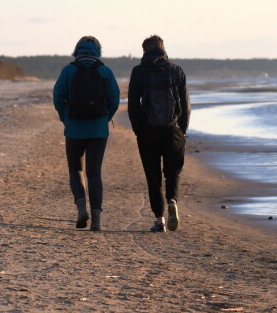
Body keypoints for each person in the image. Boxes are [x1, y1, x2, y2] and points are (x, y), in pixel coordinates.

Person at [53, 36, 120, 231]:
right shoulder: (105, 71)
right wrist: (103, 119)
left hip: (74, 128)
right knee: (94, 173)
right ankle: (96, 221)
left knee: (75, 170)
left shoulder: (68, 70)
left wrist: (65, 118)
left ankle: (82, 209)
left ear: (77, 50)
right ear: (98, 51)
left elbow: (58, 97)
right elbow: (114, 100)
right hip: (98, 130)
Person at [128, 35, 190, 232]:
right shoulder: (176, 70)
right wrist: (183, 129)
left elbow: (132, 105)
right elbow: (186, 105)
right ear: (163, 49)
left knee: (152, 175)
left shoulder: (138, 71)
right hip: (173, 130)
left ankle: (159, 220)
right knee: (172, 171)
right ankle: (172, 200)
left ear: (144, 51)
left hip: (148, 131)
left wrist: (139, 129)